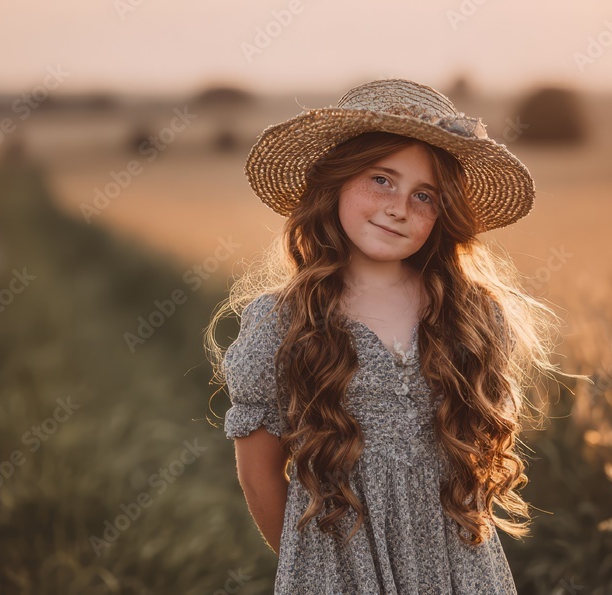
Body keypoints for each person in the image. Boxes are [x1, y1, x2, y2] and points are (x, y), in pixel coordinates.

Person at [206, 78, 566, 594]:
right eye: (381, 180)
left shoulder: (470, 316)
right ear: (335, 180)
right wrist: (315, 570)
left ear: (445, 216)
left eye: (425, 196)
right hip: (338, 571)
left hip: (459, 572)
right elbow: (259, 476)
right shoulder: (283, 322)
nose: (399, 207)